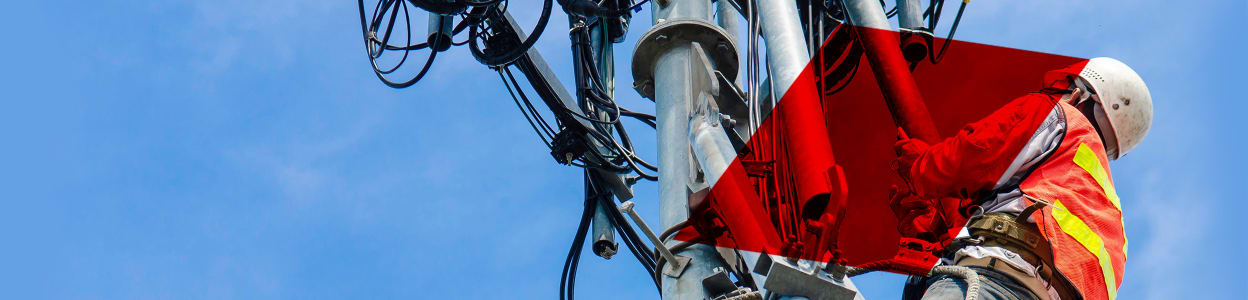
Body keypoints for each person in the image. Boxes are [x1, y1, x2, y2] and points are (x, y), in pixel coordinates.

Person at [892, 57, 1153, 300]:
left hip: (995, 281)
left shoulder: (1060, 117)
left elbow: (970, 157)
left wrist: (919, 163)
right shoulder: (1110, 219)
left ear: (1078, 93)